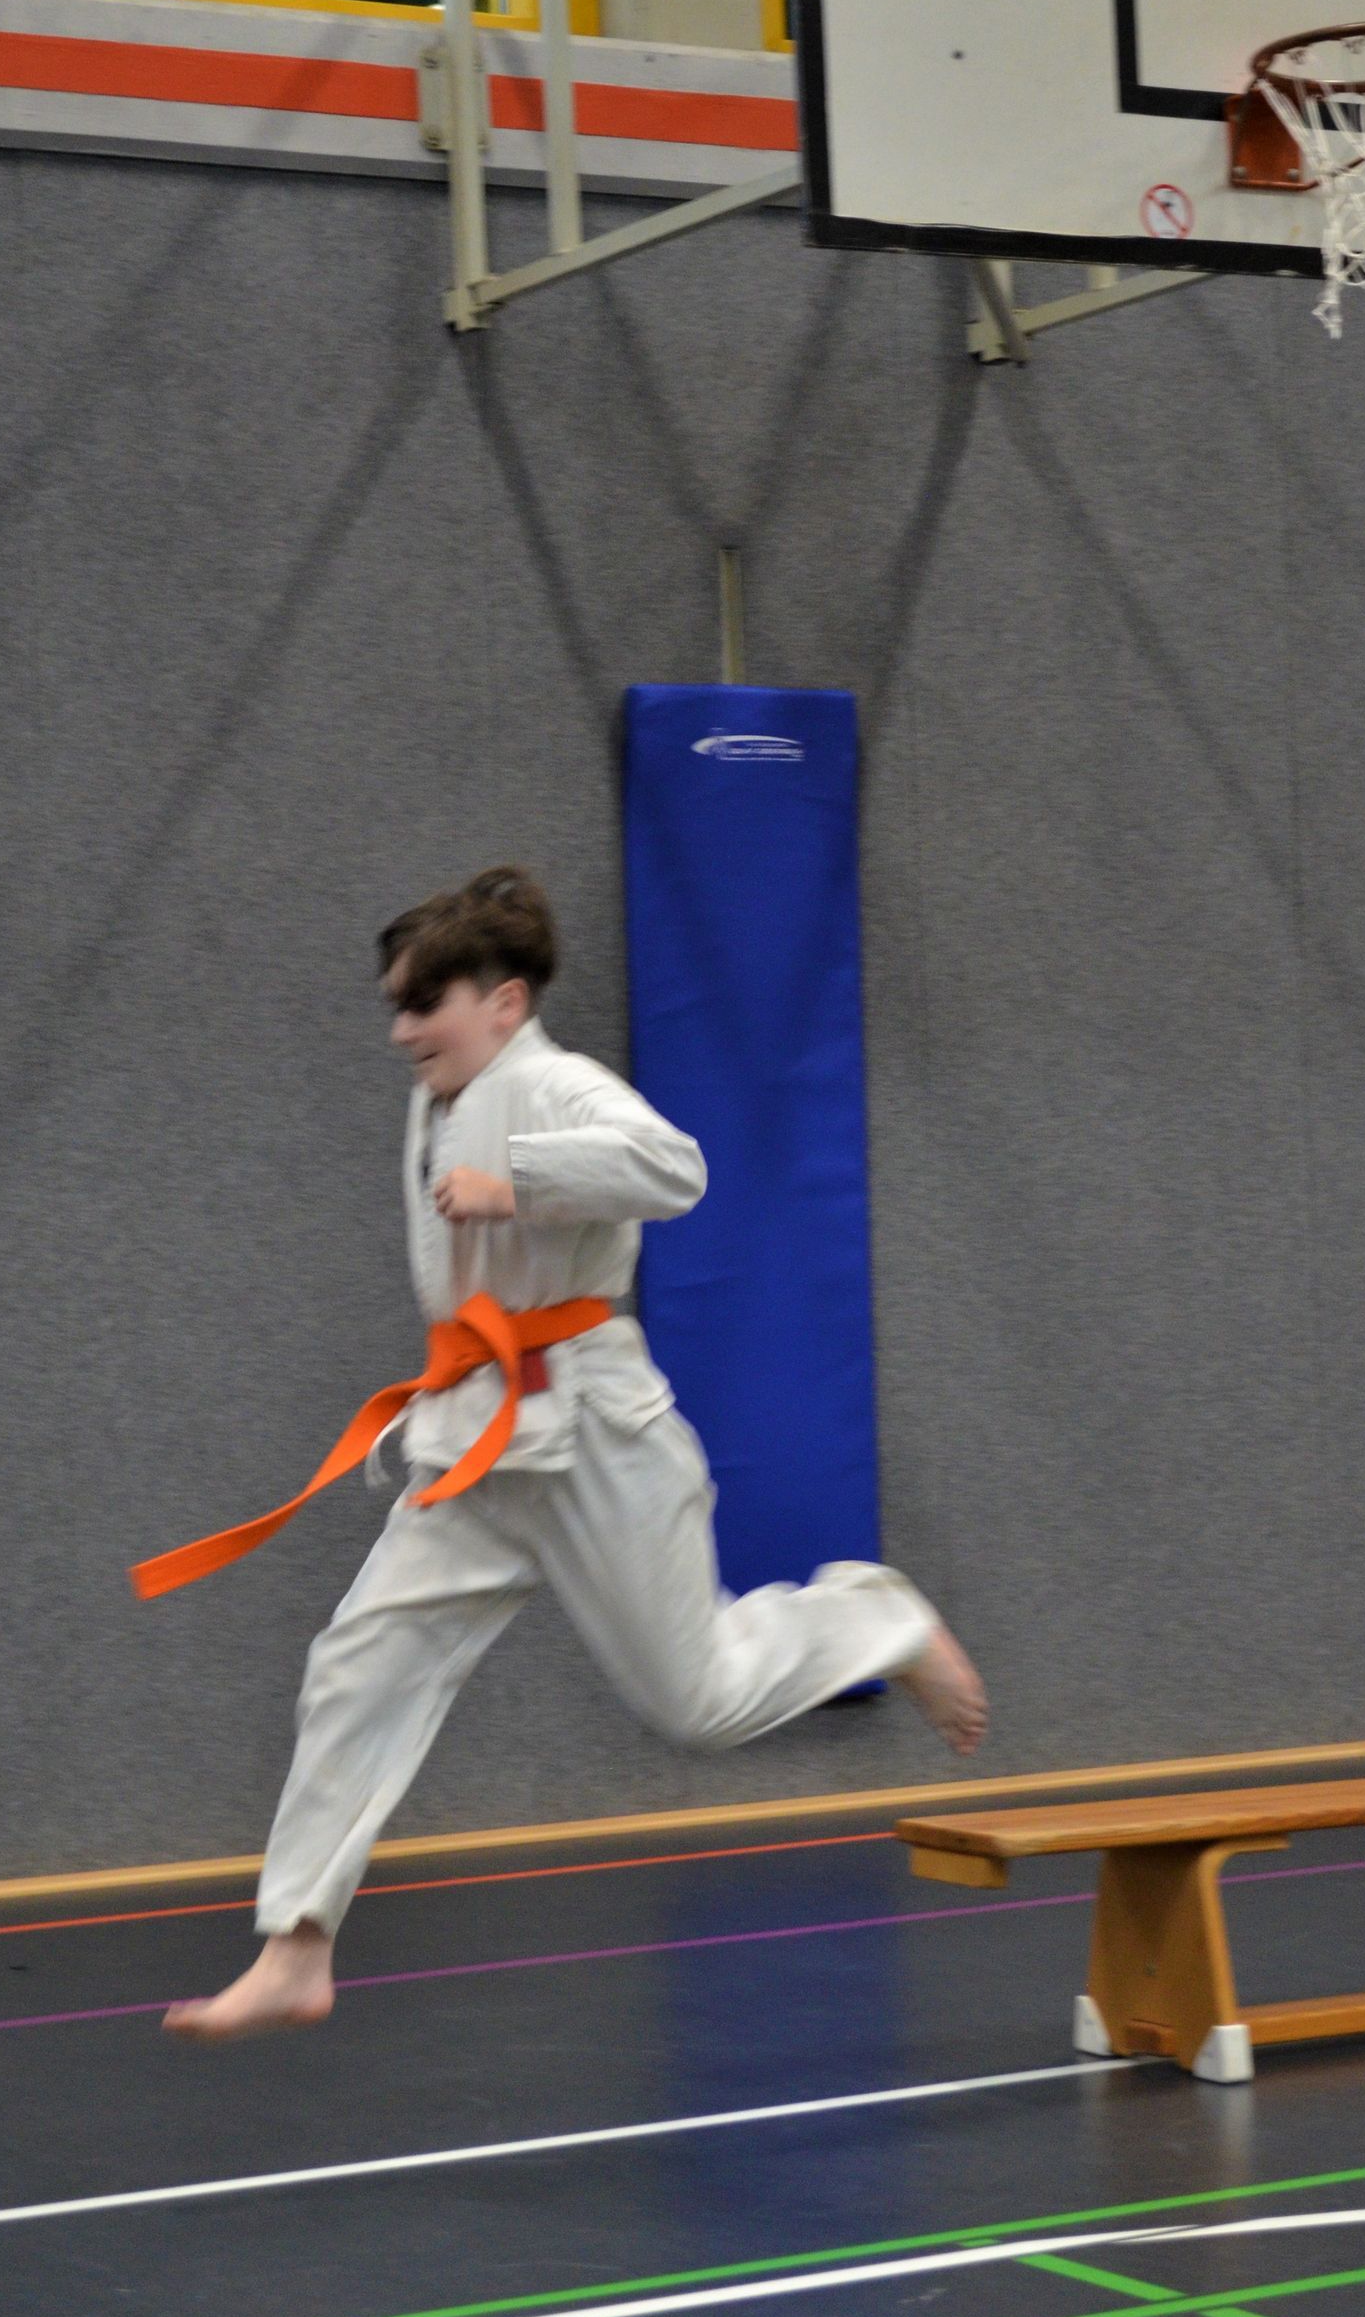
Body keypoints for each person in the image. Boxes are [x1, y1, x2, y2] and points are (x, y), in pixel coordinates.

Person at [148, 866, 987, 2040]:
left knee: (699, 1702)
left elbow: (676, 1168)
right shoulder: (440, 1099)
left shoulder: (554, 1083)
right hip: (475, 1438)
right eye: (395, 1007)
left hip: (592, 1433)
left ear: (503, 1001)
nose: (401, 1032)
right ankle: (298, 1942)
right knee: (358, 1664)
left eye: (423, 1005)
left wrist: (520, 1183)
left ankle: (880, 1618)